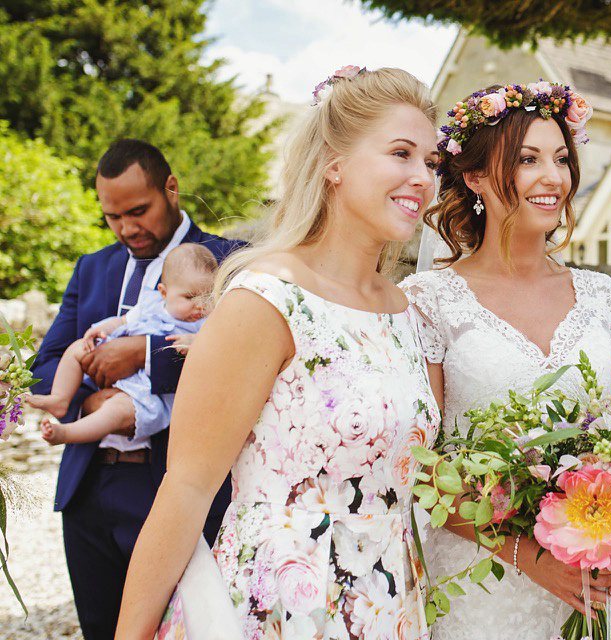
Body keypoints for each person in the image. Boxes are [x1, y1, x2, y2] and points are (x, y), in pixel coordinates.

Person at [115, 66, 442, 640]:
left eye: (431, 163)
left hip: (390, 604)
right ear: (333, 165)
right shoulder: (265, 298)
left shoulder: (407, 311)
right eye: (401, 153)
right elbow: (187, 489)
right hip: (283, 607)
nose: (422, 177)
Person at [401, 82, 611, 639]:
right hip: (481, 585)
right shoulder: (427, 301)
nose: (553, 178)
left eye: (561, 158)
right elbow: (421, 466)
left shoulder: (605, 298)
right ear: (475, 177)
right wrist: (530, 557)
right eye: (527, 160)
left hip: (595, 586)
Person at [30, 139, 239, 640]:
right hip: (88, 490)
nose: (127, 228)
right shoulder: (92, 267)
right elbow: (47, 364)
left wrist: (143, 355)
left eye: (138, 211)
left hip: (174, 485)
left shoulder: (230, 260)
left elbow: (240, 362)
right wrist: (94, 398)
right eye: (112, 217)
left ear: (171, 189)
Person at [28, 243, 217, 446]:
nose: (200, 305)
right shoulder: (151, 304)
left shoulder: (208, 321)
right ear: (163, 292)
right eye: (190, 297)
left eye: (207, 296)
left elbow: (217, 346)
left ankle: (66, 434)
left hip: (148, 394)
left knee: (115, 410)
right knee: (77, 348)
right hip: (118, 372)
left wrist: (195, 341)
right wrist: (99, 329)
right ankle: (60, 399)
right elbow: (123, 321)